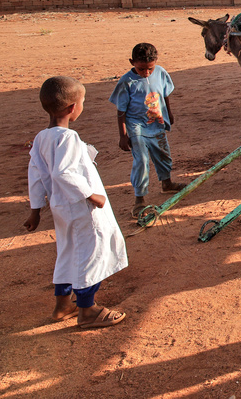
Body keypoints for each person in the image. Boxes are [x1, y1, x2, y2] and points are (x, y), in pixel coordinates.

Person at [24, 76, 128, 329]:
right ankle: (87, 309)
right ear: (73, 108)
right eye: (83, 102)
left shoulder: (41, 138)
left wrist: (35, 209)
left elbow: (35, 174)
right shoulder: (68, 138)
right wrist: (92, 195)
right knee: (91, 254)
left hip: (61, 208)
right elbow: (63, 172)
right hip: (82, 208)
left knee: (68, 253)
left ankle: (63, 305)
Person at [109, 43, 185, 216]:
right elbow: (121, 111)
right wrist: (123, 135)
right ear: (132, 62)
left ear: (155, 63)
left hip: (157, 123)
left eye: (150, 68)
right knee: (142, 161)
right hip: (137, 127)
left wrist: (169, 113)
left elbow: (165, 94)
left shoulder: (161, 73)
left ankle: (167, 183)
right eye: (142, 69)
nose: (147, 73)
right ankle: (139, 199)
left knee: (163, 155)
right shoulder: (126, 82)